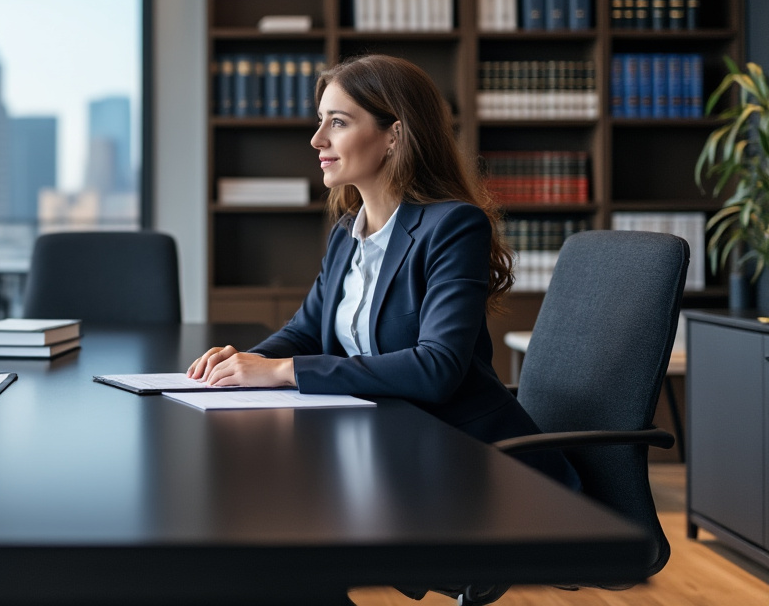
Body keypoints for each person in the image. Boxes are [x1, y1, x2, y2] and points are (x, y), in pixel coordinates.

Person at [187, 54, 579, 490]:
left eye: (337, 122)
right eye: (320, 121)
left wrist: (283, 371)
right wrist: (244, 365)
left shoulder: (453, 226)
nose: (317, 140)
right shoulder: (345, 234)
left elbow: (437, 366)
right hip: (393, 451)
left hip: (477, 466)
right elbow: (305, 332)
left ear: (394, 134)